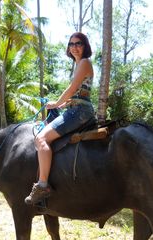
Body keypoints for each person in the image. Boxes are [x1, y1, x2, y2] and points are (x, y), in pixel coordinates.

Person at [25, 32, 96, 205]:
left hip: (79, 112)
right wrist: (64, 104)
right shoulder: (79, 64)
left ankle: (42, 185)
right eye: (71, 44)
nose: (74, 47)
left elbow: (72, 89)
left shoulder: (85, 62)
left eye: (78, 43)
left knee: (40, 138)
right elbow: (80, 94)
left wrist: (56, 103)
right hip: (77, 109)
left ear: (85, 46)